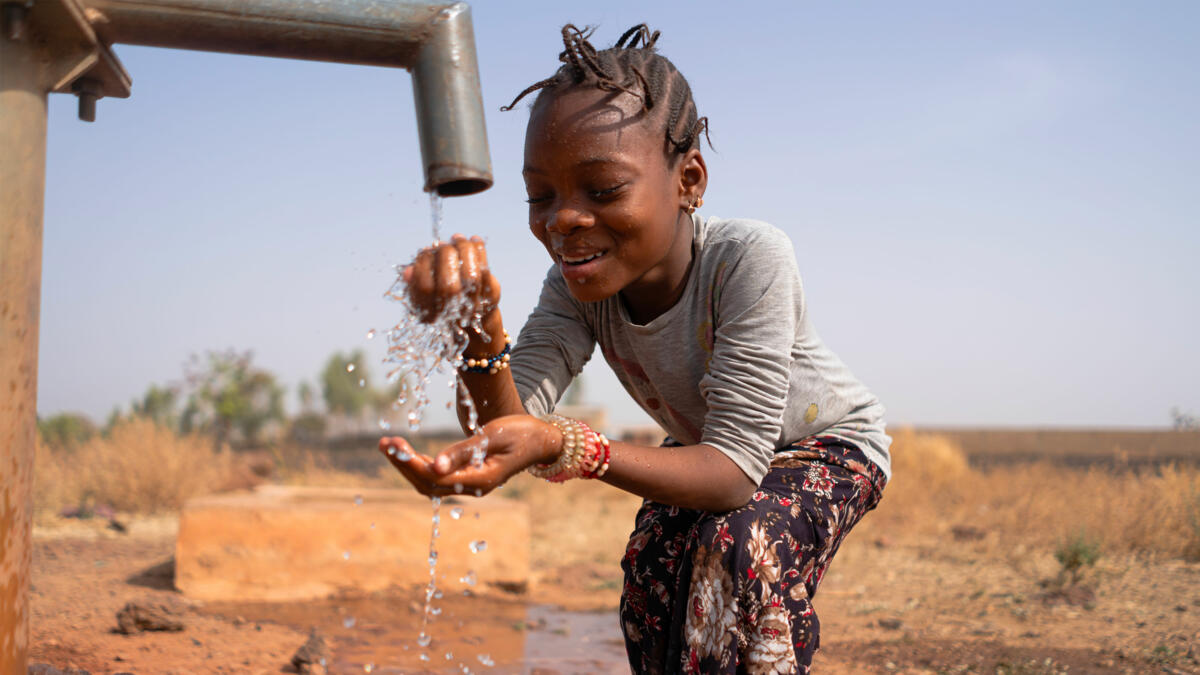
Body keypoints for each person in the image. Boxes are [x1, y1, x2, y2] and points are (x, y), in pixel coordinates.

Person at [380, 24, 891, 674]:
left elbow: (734, 475)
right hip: (710, 449)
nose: (561, 218)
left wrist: (570, 445)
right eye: (541, 195)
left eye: (602, 189)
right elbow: (500, 425)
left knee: (736, 545)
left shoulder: (748, 258)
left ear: (689, 179)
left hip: (823, 446)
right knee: (653, 564)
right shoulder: (578, 286)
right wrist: (477, 327)